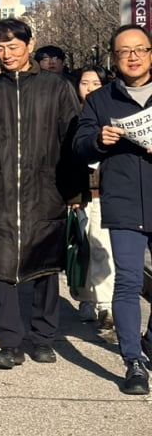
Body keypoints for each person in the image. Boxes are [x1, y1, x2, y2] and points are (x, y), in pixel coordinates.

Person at [0, 18, 83, 370]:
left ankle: (44, 337)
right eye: (0, 48)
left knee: (44, 266)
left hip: (47, 188)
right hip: (0, 191)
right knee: (1, 268)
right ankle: (9, 342)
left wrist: (74, 190)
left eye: (13, 47)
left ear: (29, 45)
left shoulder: (56, 87)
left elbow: (71, 140)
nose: (6, 54)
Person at [73, 26, 152, 394]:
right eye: (125, 52)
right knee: (129, 282)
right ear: (113, 58)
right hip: (122, 201)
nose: (133, 57)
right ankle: (133, 360)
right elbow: (80, 146)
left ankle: (148, 339)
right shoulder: (101, 100)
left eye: (140, 49)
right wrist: (97, 141)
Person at [68, 66, 115, 332]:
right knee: (80, 248)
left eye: (95, 83)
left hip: (103, 191)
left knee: (101, 247)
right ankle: (85, 297)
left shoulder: (110, 113)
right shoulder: (72, 115)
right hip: (78, 193)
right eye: (85, 83)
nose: (90, 88)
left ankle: (104, 304)